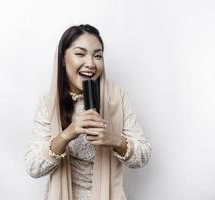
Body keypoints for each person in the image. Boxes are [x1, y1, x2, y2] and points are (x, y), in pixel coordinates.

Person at [25, 24, 152, 200]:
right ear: (63, 58)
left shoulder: (117, 97)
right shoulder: (48, 103)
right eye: (80, 54)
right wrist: (68, 133)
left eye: (98, 56)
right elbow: (33, 167)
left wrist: (114, 139)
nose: (91, 64)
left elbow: (143, 156)